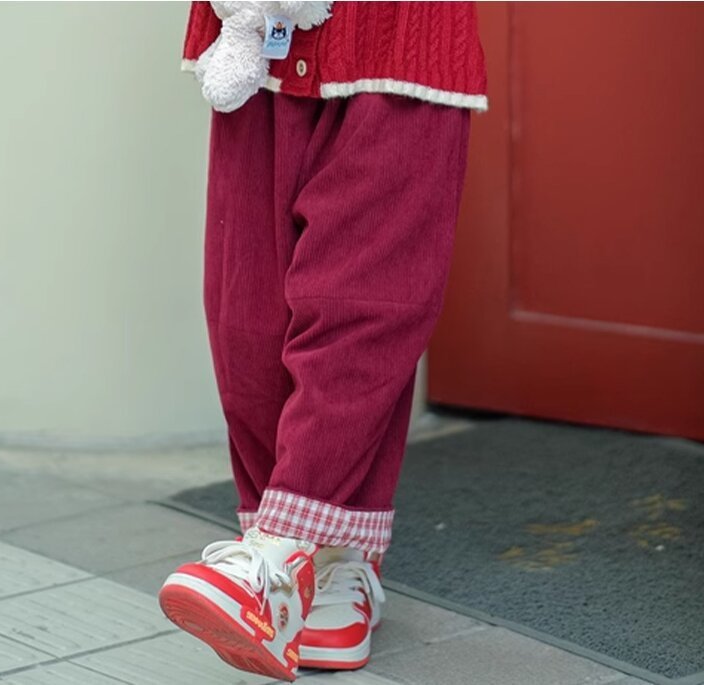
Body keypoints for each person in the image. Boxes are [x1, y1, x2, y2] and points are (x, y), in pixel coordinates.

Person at [159, 2, 488, 681]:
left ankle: (280, 554)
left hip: (399, 30)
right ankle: (323, 566)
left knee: (363, 294)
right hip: (255, 31)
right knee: (247, 312)